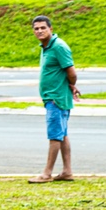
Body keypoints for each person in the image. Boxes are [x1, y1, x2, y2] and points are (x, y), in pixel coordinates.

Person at [29, 15, 80, 183]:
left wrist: (72, 85)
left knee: (55, 136)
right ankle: (67, 171)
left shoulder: (58, 46)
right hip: (53, 97)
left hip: (56, 98)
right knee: (62, 134)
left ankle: (46, 173)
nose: (39, 31)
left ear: (50, 28)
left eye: (43, 27)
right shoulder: (46, 47)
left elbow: (71, 72)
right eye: (36, 28)